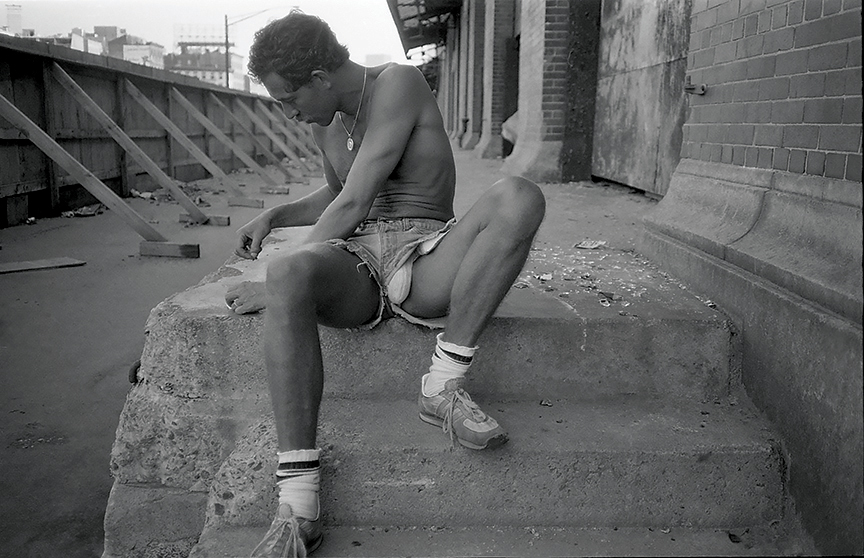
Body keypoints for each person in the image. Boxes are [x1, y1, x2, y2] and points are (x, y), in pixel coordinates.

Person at [225, 10, 546, 557]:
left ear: (320, 78)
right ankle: (299, 508)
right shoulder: (328, 121)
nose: (290, 113)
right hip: (359, 265)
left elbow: (356, 197)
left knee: (520, 196)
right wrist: (276, 216)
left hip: (425, 255)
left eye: (289, 98)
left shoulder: (398, 82)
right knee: (288, 272)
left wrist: (269, 285)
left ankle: (442, 385)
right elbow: (338, 195)